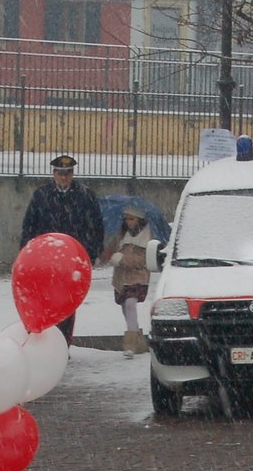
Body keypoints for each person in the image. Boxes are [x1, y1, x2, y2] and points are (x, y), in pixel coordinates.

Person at [19, 154, 103, 345]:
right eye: (60, 173)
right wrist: (26, 252)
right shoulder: (42, 195)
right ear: (54, 173)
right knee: (44, 301)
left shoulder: (85, 195)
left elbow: (96, 227)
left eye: (68, 173)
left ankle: (63, 344)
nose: (64, 177)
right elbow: (29, 225)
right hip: (45, 260)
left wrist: (90, 253)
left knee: (66, 304)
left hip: (71, 261)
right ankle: (45, 341)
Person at [103, 205, 154, 359]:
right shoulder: (121, 233)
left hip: (138, 277)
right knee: (125, 306)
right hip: (121, 277)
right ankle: (138, 339)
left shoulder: (148, 237)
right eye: (126, 218)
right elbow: (110, 249)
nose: (128, 221)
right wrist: (105, 256)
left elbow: (144, 259)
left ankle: (130, 344)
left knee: (131, 304)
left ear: (139, 220)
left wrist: (123, 259)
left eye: (131, 218)